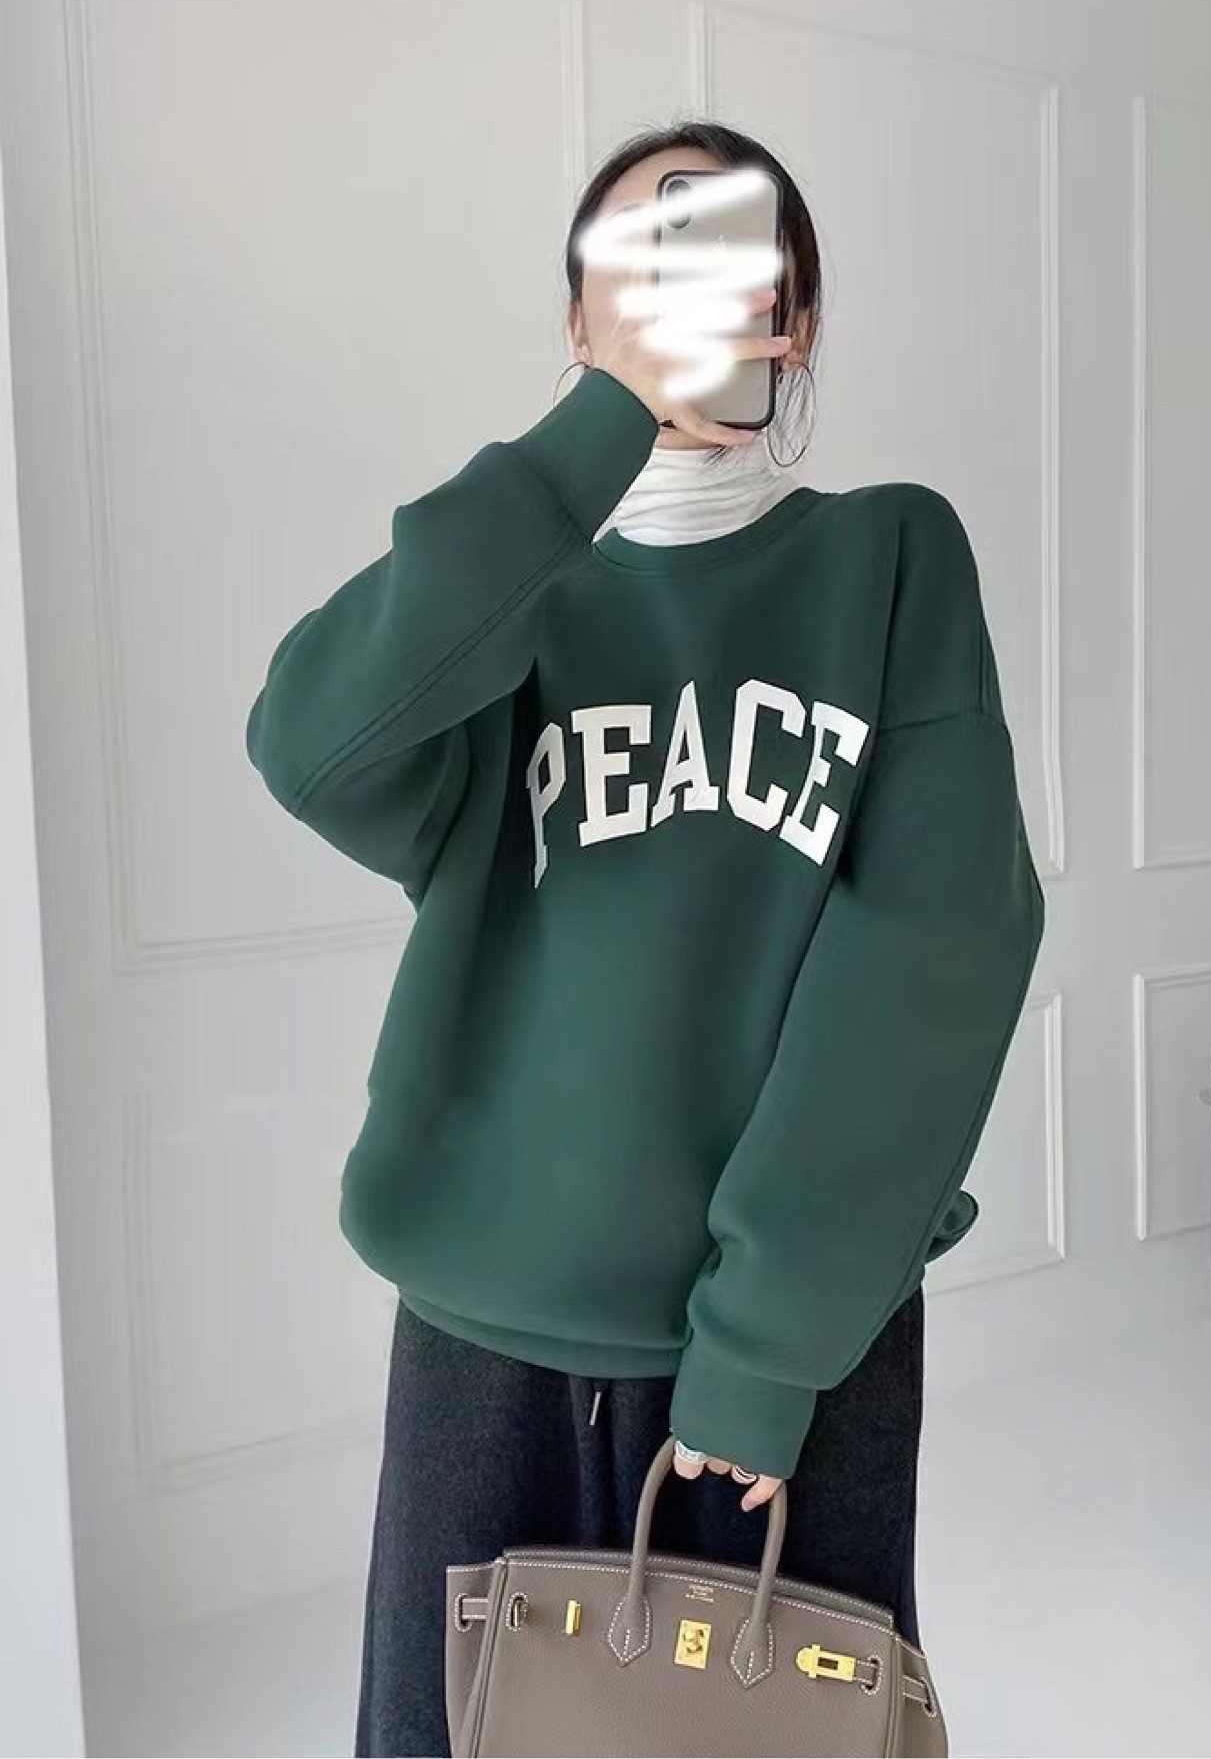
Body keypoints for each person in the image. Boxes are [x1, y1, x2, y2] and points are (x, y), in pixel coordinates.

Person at [244, 119, 1045, 1759]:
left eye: (726, 261)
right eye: (637, 262)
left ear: (790, 322)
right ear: (578, 320)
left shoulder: (891, 558)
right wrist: (587, 444)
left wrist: (765, 1350)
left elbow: (936, 952)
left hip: (784, 1362)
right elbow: (311, 744)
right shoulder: (503, 607)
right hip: (482, 1345)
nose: (680, 294)